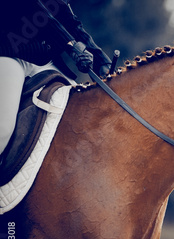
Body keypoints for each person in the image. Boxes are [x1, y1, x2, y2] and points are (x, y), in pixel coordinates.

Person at [0, 0, 111, 156]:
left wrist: (102, 63)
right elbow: (37, 12)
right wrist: (72, 47)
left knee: (84, 113)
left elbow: (71, 23)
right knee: (3, 129)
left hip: (46, 61)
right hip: (9, 54)